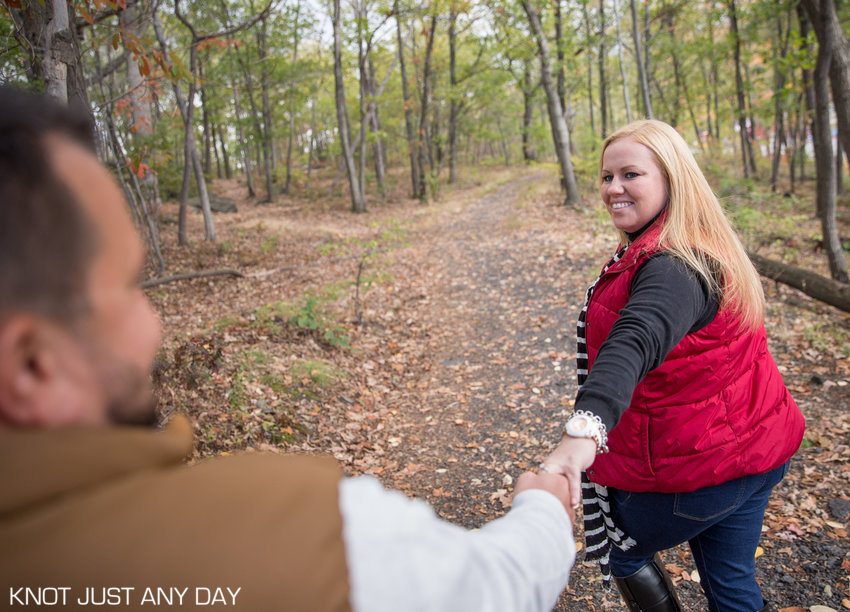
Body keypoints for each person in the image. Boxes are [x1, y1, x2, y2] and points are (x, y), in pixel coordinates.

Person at [0, 86, 576, 612]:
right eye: (128, 289)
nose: (154, 324)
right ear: (30, 365)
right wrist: (544, 507)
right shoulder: (303, 535)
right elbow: (498, 586)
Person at [538, 120, 805, 612]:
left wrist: (584, 429)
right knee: (730, 581)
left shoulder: (677, 265)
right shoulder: (689, 240)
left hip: (707, 468)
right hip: (754, 449)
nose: (613, 188)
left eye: (631, 174)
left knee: (619, 549)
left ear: (671, 180)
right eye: (606, 176)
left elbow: (636, 338)